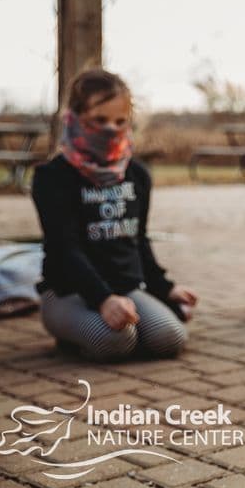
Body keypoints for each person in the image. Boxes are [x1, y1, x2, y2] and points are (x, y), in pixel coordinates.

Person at [32, 69, 196, 362]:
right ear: (75, 118)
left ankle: (138, 322)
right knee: (115, 341)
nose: (111, 129)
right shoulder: (52, 177)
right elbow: (65, 249)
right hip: (68, 293)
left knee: (169, 339)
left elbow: (138, 239)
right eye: (99, 120)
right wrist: (103, 299)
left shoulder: (137, 175)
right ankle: (72, 333)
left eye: (120, 121)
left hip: (125, 289)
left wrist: (165, 288)